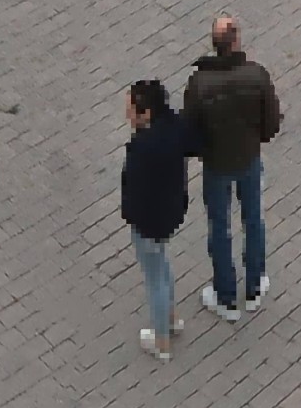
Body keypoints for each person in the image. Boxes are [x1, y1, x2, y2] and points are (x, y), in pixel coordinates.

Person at [182, 20, 288, 319]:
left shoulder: (199, 84)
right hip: (248, 160)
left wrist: (203, 152)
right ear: (236, 40)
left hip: (216, 166)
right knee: (253, 219)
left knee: (219, 227)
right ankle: (254, 286)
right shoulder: (256, 75)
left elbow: (189, 132)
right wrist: (257, 140)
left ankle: (225, 295)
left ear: (214, 44)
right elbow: (272, 122)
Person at [111, 78, 203, 352]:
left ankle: (161, 340)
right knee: (162, 266)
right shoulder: (174, 128)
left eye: (130, 109)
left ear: (146, 113)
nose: (127, 114)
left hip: (149, 222)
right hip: (170, 212)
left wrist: (129, 214)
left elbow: (134, 189)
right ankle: (171, 319)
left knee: (154, 277)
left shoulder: (143, 148)